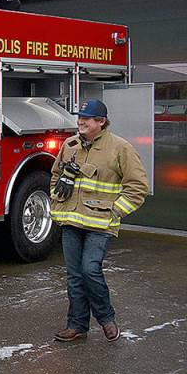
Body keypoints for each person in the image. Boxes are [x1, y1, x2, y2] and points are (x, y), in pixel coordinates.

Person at [50, 99, 148, 343]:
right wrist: (55, 201)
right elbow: (55, 176)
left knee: (90, 270)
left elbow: (138, 186)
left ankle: (106, 319)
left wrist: (115, 211)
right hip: (71, 221)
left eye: (87, 118)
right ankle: (77, 325)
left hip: (100, 224)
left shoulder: (119, 148)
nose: (80, 121)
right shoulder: (70, 145)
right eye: (80, 117)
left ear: (101, 122)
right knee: (74, 276)